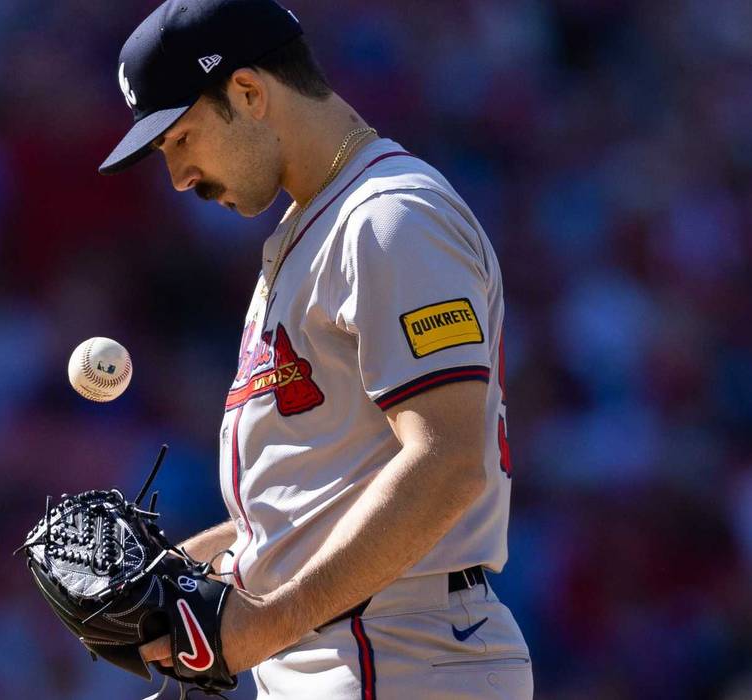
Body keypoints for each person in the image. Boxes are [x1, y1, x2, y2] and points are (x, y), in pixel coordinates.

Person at [98, 1, 532, 697]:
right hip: (355, 646)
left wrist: (266, 623)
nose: (178, 176)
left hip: (392, 645)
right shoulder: (315, 229)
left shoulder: (389, 215)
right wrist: (184, 567)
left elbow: (448, 462)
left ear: (247, 93)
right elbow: (319, 499)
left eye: (179, 139)